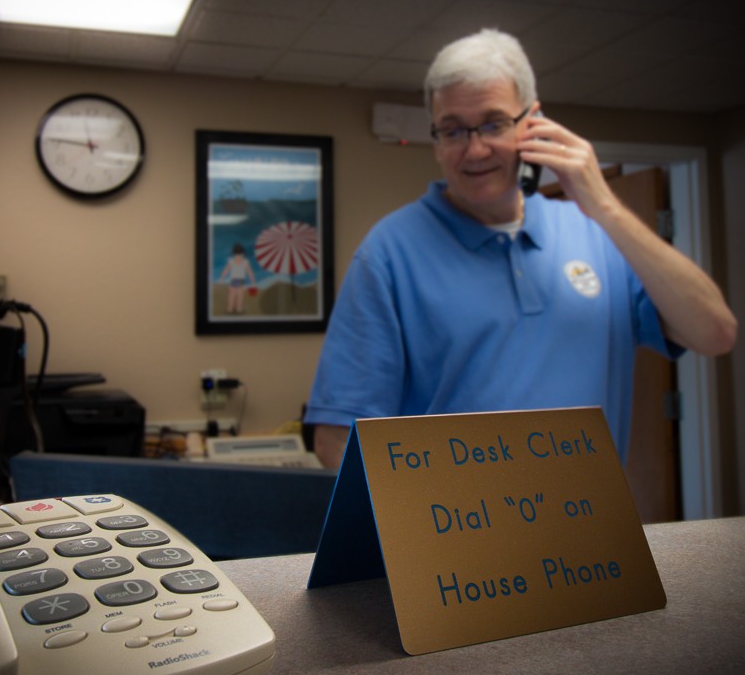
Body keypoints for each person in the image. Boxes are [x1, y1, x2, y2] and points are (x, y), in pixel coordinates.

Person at [304, 28, 736, 470]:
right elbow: (338, 440)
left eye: (494, 123)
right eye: (452, 131)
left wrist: (606, 207)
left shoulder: (598, 234)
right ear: (435, 141)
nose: (474, 150)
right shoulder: (389, 254)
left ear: (533, 122)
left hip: (592, 531)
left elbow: (715, 333)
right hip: (457, 532)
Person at [219, 243, 257, 314]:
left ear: (234, 253)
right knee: (240, 296)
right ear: (243, 253)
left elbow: (226, 270)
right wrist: (253, 281)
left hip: (233, 280)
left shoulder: (231, 261)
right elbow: (250, 272)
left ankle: (229, 309)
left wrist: (222, 278)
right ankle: (239, 309)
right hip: (241, 281)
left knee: (231, 295)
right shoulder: (245, 262)